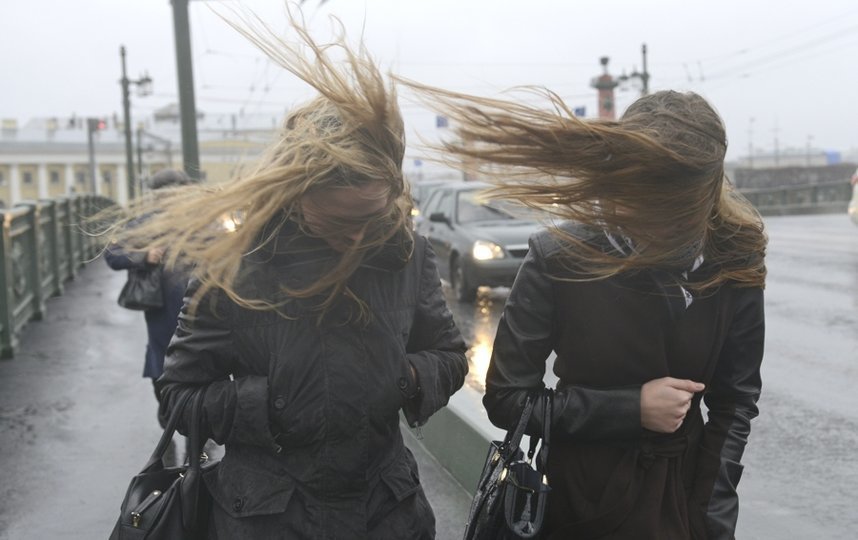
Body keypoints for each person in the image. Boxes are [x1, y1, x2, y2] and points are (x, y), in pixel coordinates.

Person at [110, 16, 467, 539]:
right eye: (340, 222)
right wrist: (270, 404)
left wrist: (403, 379)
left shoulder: (406, 253)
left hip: (388, 514)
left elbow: (451, 356)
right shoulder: (236, 263)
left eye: (373, 219)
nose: (357, 239)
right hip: (268, 520)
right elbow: (178, 395)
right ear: (297, 197)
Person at [404, 85, 767, 539]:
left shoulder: (736, 261)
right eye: (647, 193)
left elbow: (735, 404)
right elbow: (506, 398)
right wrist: (629, 408)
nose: (658, 218)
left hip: (685, 504)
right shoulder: (560, 255)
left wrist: (711, 519)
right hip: (578, 506)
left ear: (704, 191)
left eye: (674, 204)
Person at [104, 168, 195, 419]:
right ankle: (170, 423)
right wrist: (144, 256)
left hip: (200, 305)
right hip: (163, 309)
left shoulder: (200, 219)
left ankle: (195, 436)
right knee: (164, 363)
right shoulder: (146, 222)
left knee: (201, 365)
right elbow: (112, 254)